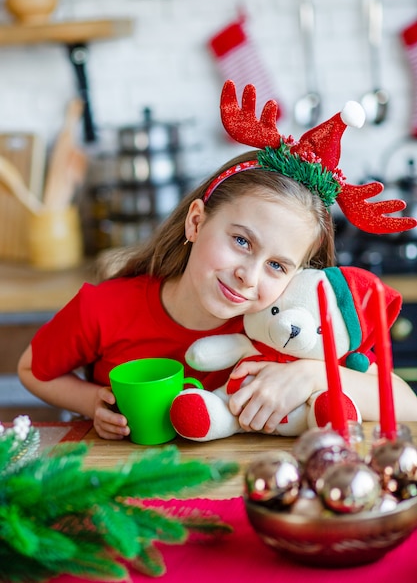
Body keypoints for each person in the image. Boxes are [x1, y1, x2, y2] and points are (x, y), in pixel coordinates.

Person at [18, 81, 417, 440]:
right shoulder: (103, 308)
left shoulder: (294, 327)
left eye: (277, 266)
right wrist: (91, 403)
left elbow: (407, 404)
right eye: (242, 241)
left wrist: (312, 375)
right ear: (196, 222)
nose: (248, 275)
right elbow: (33, 369)